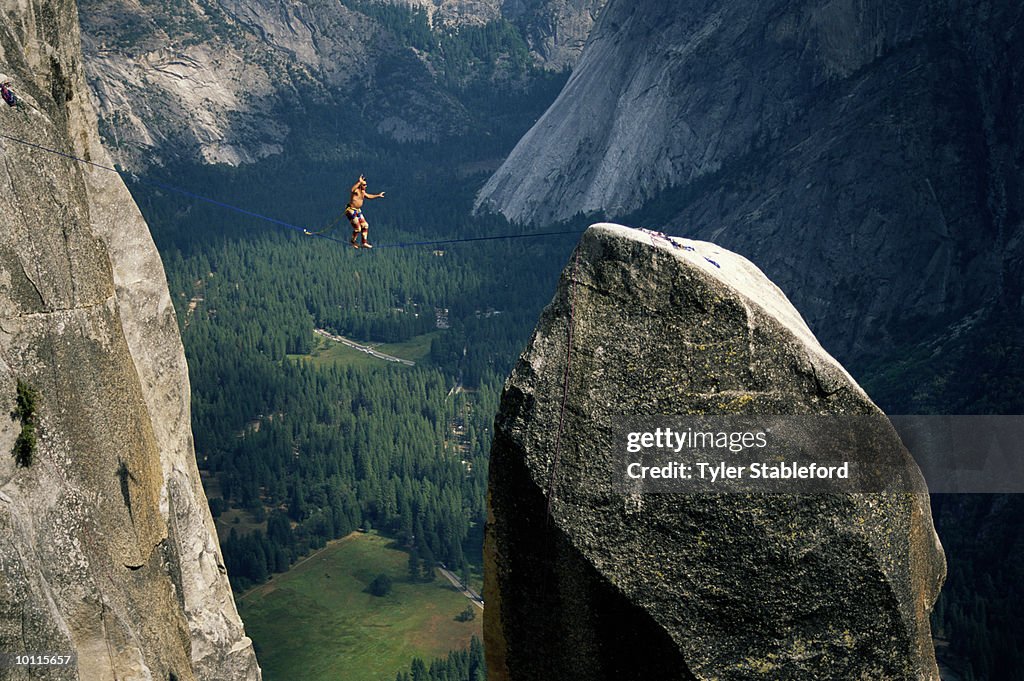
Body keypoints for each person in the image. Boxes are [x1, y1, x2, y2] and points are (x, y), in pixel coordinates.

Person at [346, 175, 385, 248]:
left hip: (357, 211)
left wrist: (378, 195)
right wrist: (359, 182)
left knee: (365, 225)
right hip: (351, 210)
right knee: (358, 229)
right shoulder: (356, 191)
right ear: (360, 185)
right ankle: (352, 242)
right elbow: (352, 190)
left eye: (366, 184)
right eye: (364, 185)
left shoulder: (363, 192)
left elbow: (369, 196)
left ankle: (364, 242)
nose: (366, 186)